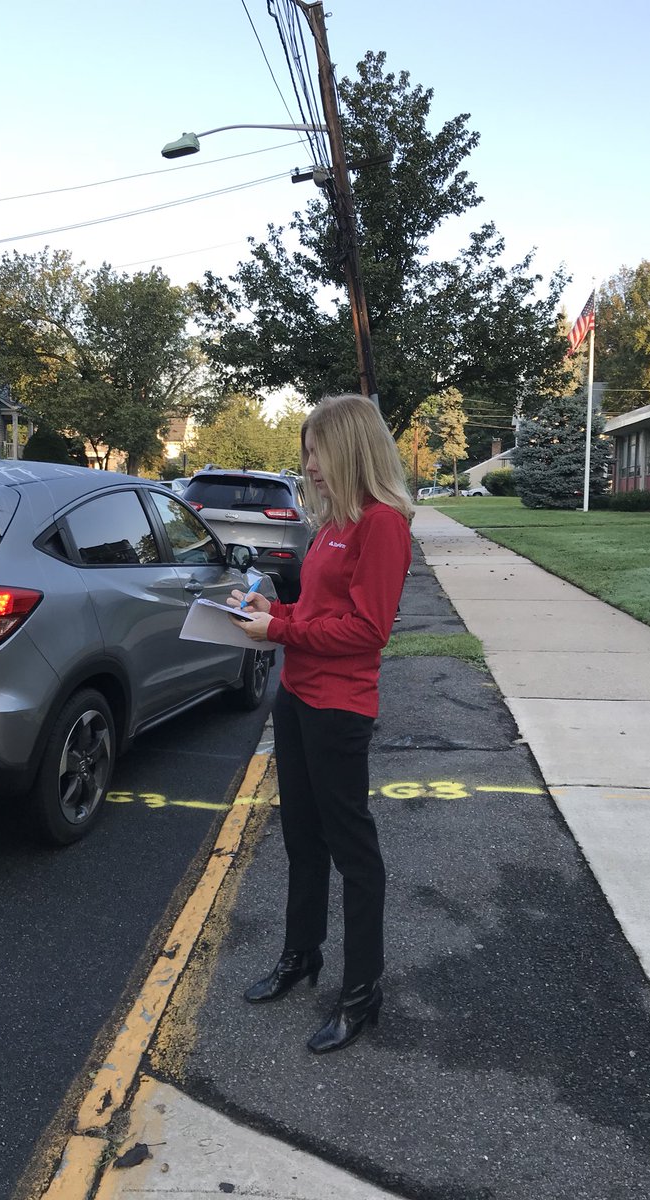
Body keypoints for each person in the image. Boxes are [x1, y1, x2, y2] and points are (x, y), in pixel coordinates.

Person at [227, 393, 414, 1053]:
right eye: (306, 452)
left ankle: (361, 991)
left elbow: (367, 629)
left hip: (339, 708)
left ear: (351, 449)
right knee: (301, 839)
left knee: (352, 851)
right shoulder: (333, 522)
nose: (309, 464)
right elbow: (315, 609)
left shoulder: (382, 525)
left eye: (318, 452)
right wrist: (270, 608)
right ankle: (301, 954)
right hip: (297, 696)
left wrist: (278, 630)